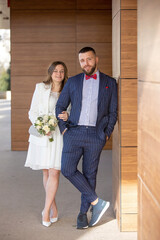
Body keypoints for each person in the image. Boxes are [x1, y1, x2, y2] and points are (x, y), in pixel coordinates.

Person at [56, 47, 118, 229]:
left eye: (89, 59)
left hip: (96, 135)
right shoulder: (73, 81)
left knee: (90, 174)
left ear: (96, 59)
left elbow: (113, 111)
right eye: (82, 60)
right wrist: (63, 129)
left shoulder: (109, 82)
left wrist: (106, 133)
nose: (86, 63)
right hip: (73, 132)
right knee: (67, 169)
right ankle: (96, 202)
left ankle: (83, 213)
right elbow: (60, 105)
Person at [25, 61, 69, 227]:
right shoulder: (40, 88)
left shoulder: (68, 89)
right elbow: (33, 111)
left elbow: (71, 111)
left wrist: (67, 116)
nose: (58, 74)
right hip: (44, 134)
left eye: (62, 71)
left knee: (54, 172)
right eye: (56, 71)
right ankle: (53, 208)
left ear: (64, 74)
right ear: (50, 72)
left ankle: (46, 210)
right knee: (46, 172)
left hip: (59, 135)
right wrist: (42, 127)